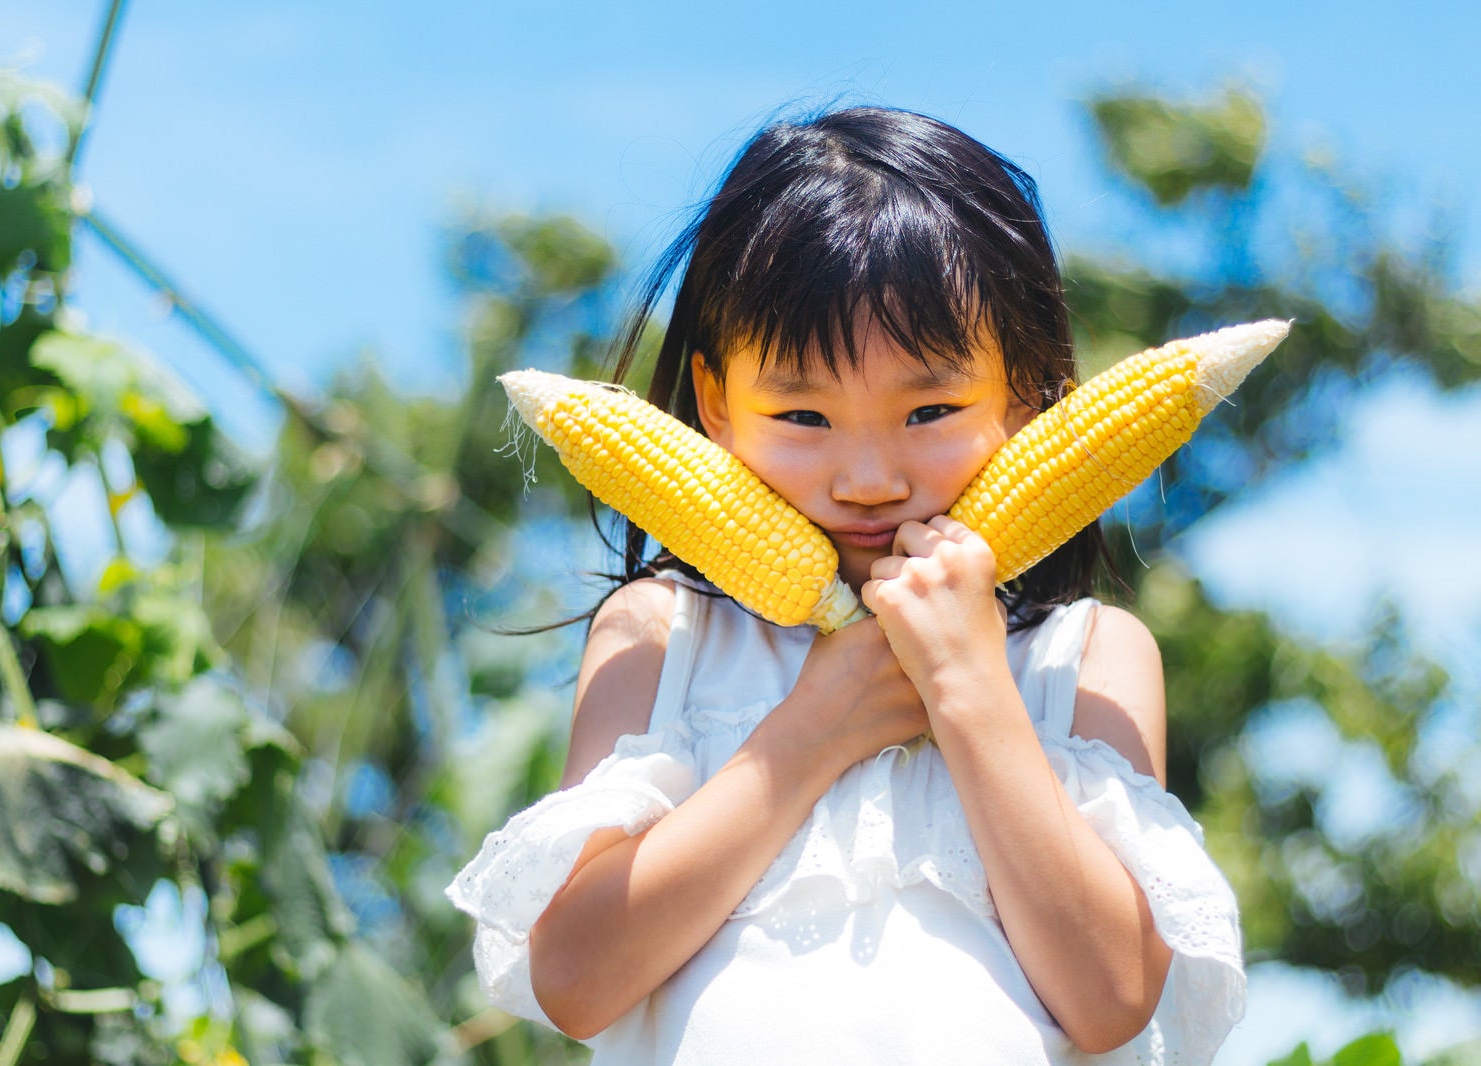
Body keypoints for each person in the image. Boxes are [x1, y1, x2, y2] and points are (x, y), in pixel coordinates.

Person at [447, 105, 1244, 1065]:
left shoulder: (1088, 658)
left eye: (932, 408)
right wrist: (813, 731)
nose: (869, 478)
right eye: (803, 415)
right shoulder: (661, 639)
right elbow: (573, 980)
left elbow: (1113, 995)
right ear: (716, 407)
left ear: (1029, 396)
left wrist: (970, 690)